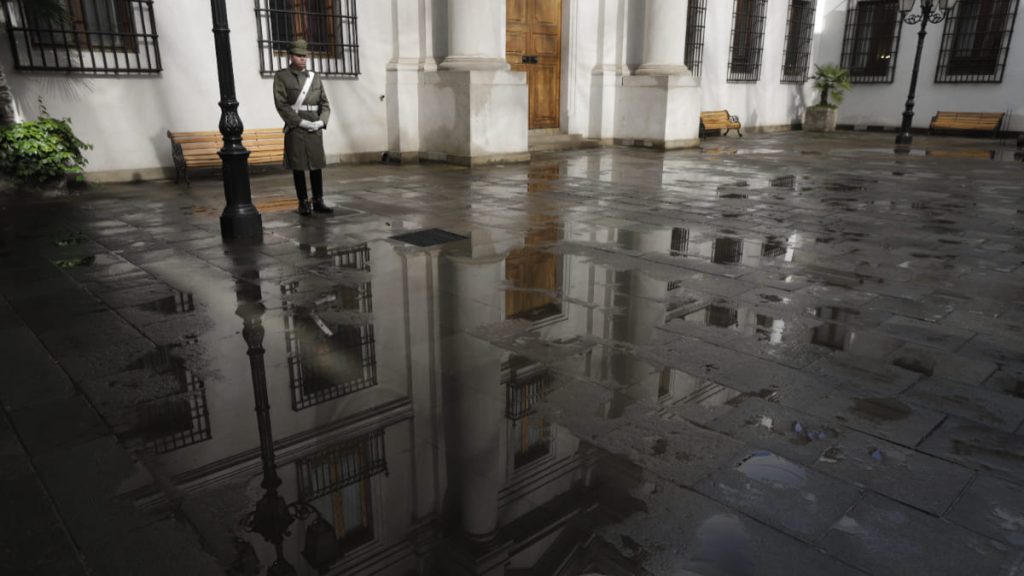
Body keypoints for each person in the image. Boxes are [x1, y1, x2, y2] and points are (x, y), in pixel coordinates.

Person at [273, 38, 333, 216]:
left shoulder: (315, 77)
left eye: (305, 56)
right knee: (298, 165)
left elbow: (325, 104)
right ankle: (302, 202)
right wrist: (299, 122)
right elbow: (281, 104)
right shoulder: (282, 77)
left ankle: (318, 200)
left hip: (314, 125)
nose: (303, 59)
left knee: (316, 165)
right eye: (299, 55)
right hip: (296, 126)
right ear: (291, 56)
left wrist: (321, 122)